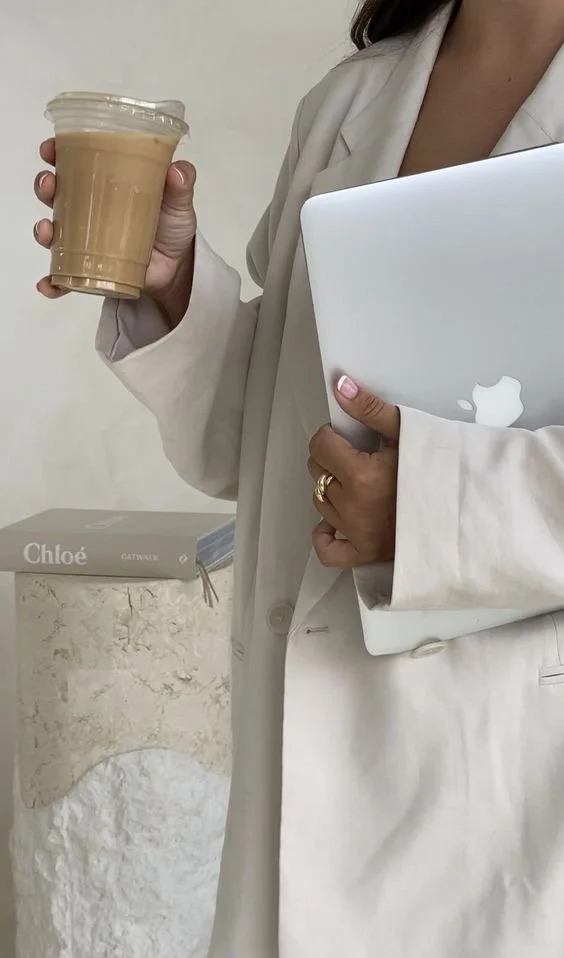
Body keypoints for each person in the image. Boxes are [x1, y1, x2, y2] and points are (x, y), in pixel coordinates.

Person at [33, 0, 564, 954]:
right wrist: (174, 287)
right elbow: (267, 433)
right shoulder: (350, 101)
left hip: (515, 791)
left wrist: (440, 508)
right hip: (309, 786)